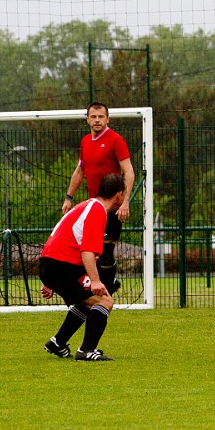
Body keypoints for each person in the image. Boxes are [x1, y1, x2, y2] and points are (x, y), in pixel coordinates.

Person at [42, 173, 127, 361]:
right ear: (119, 195)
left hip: (52, 263)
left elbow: (62, 238)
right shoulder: (97, 211)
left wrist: (49, 278)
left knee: (87, 301)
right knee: (104, 302)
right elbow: (87, 251)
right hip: (61, 265)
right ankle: (86, 351)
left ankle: (58, 342)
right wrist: (95, 281)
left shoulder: (85, 206)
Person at [61, 102, 135, 295]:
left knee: (106, 250)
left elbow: (128, 172)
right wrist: (69, 197)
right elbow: (80, 171)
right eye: (93, 117)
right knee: (88, 249)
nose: (97, 120)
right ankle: (101, 288)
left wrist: (125, 201)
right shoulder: (85, 142)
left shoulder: (116, 140)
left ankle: (108, 286)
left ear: (107, 119)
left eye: (101, 117)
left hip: (112, 206)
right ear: (87, 119)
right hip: (93, 206)